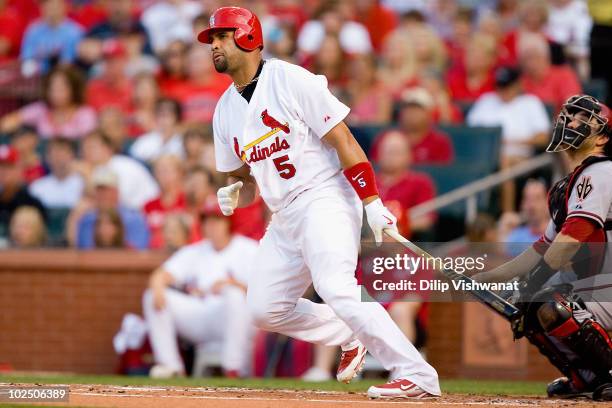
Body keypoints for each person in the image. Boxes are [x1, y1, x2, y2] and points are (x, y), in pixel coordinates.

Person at [199, 7, 440, 399]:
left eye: (222, 36)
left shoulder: (290, 79)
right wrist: (234, 192)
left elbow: (343, 140)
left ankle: (417, 374)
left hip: (324, 196)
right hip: (284, 214)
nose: (214, 45)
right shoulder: (224, 110)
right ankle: (348, 332)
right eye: (211, 40)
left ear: (247, 37)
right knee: (263, 308)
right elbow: (247, 180)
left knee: (336, 285)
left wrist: (372, 201)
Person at [473, 94, 612, 401]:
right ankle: (585, 378)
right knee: (526, 303)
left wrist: (530, 285)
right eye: (569, 116)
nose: (570, 122)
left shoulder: (602, 171)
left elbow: (569, 243)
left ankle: (608, 373)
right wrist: (483, 280)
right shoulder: (569, 183)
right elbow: (539, 251)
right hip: (598, 285)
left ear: (601, 137)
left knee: (551, 302)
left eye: (582, 119)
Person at [143, 202, 257, 378]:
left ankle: (234, 368)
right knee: (151, 296)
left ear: (229, 223)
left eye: (217, 221)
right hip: (201, 316)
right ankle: (171, 368)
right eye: (207, 221)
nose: (211, 226)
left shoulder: (248, 249)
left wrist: (233, 284)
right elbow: (160, 275)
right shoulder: (195, 251)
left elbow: (265, 292)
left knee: (233, 295)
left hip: (234, 318)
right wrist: (158, 287)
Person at [0, 66, 97, 140]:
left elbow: (89, 143)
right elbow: (9, 121)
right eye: (52, 88)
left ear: (74, 88)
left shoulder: (85, 114)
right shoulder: (41, 109)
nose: (56, 93)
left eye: (62, 88)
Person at [78, 131, 159, 210]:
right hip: (123, 213)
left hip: (146, 210)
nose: (87, 152)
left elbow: (118, 200)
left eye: (91, 147)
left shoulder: (123, 165)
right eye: (85, 148)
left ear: (108, 148)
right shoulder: (96, 169)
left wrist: (88, 176)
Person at [75, 166, 149, 249]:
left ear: (117, 192)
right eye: (99, 191)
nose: (103, 195)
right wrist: (75, 215)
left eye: (107, 190)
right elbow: (82, 251)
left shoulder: (133, 219)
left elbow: (138, 251)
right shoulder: (87, 219)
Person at [19, 0, 83, 76]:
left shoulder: (75, 32)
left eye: (54, 6)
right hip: (36, 78)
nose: (51, 10)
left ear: (63, 7)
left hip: (64, 77)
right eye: (47, 6)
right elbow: (26, 58)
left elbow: (68, 62)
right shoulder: (33, 30)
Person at [0, 145, 46, 240]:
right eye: (0, 167)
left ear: (20, 169)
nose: (3, 172)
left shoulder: (31, 202)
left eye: (9, 167)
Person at [29, 137, 84, 209]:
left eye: (63, 151)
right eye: (55, 152)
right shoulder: (37, 187)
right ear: (47, 157)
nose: (59, 156)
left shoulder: (82, 183)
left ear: (72, 155)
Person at [129, 98, 185, 164]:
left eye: (168, 115)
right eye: (161, 115)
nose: (164, 119)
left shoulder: (183, 142)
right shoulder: (143, 142)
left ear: (177, 118)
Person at [504, 179, 550, 256]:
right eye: (527, 199)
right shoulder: (515, 237)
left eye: (537, 199)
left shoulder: (558, 236)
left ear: (547, 202)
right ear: (522, 204)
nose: (531, 206)